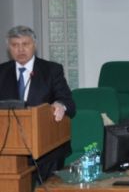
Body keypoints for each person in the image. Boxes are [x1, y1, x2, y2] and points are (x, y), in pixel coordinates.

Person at [0, 25, 76, 180]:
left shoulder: (52, 69)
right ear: (9, 48)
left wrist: (60, 105)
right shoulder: (2, 72)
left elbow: (69, 103)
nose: (20, 49)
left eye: (25, 44)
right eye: (15, 45)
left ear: (34, 45)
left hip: (47, 148)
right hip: (11, 148)